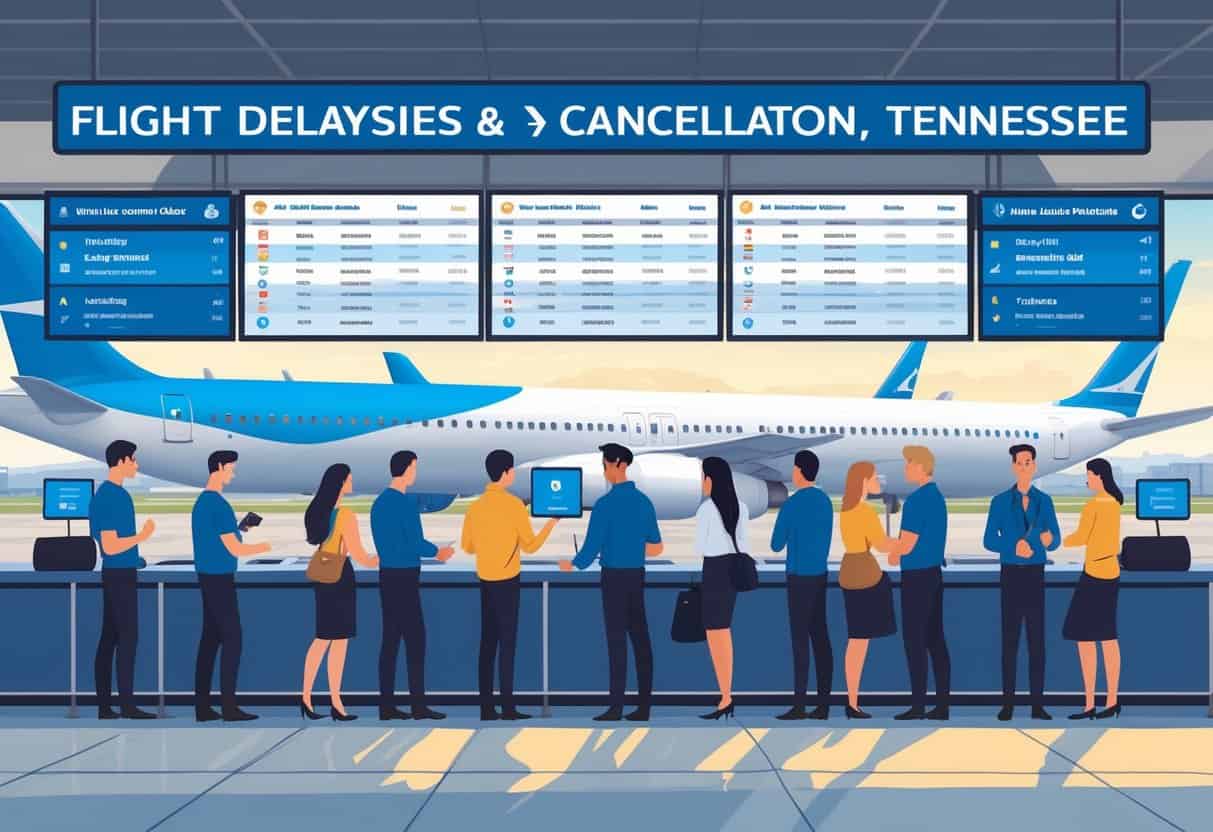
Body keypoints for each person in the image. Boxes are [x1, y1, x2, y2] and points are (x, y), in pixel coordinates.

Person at [559, 443, 662, 722]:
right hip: (636, 575)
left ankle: (615, 707)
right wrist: (633, 546)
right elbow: (657, 547)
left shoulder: (604, 505)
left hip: (613, 577)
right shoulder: (644, 502)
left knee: (616, 642)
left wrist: (572, 564)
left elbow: (591, 548)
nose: (604, 470)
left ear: (620, 465)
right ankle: (644, 707)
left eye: (606, 465)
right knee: (641, 640)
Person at [461, 449, 558, 720]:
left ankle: (486, 708)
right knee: (507, 645)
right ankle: (508, 707)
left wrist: (489, 544)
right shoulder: (514, 506)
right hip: (508, 582)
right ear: (505, 473)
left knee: (487, 645)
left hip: (485, 580)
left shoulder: (475, 507)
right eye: (512, 469)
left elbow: (468, 547)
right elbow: (531, 546)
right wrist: (551, 523)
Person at [370, 450, 454, 722]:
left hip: (386, 576)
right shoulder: (405, 504)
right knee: (416, 641)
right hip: (406, 577)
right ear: (407, 469)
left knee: (390, 643)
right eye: (415, 467)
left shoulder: (379, 503)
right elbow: (415, 542)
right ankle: (419, 705)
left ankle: (386, 706)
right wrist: (438, 552)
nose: (416, 472)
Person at [192, 450, 272, 723]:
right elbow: (234, 548)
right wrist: (265, 547)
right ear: (219, 467)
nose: (233, 473)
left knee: (209, 642)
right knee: (232, 640)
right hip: (220, 578)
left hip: (206, 576)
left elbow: (218, 538)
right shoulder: (219, 505)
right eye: (231, 468)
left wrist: (241, 528)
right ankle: (229, 707)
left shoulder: (202, 503)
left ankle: (203, 707)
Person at [983, 444, 1060, 721]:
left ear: (1034, 466)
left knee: (1037, 642)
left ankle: (1038, 705)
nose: (1025, 467)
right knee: (1010, 641)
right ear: (1013, 467)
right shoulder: (1000, 501)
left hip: (1035, 574)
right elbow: (989, 540)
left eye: (1029, 462)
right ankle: (1008, 704)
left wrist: (1047, 540)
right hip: (1011, 574)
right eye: (1020, 463)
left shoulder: (1045, 501)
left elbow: (1056, 540)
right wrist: (1013, 546)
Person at [301, 464, 380, 722]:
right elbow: (359, 554)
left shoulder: (318, 512)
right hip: (340, 576)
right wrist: (380, 558)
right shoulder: (346, 515)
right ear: (341, 482)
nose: (352, 482)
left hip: (322, 573)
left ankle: (307, 698)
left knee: (322, 639)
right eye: (349, 479)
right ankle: (335, 701)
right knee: (338, 642)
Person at [89, 439, 156, 720]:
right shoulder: (110, 497)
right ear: (121, 461)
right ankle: (126, 705)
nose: (136, 465)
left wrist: (135, 556)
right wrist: (142, 536)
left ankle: (106, 706)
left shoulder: (114, 494)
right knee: (125, 639)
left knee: (111, 638)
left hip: (121, 571)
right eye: (133, 460)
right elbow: (111, 545)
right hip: (119, 576)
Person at [769, 450, 834, 720]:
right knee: (821, 638)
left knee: (800, 642)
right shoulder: (825, 501)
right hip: (820, 575)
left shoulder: (792, 504)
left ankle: (799, 704)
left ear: (799, 471)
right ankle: (823, 705)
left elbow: (776, 544)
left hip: (798, 577)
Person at [888, 445, 952, 721]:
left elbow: (907, 544)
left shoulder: (916, 501)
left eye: (908, 463)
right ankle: (942, 705)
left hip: (916, 577)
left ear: (920, 467)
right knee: (935, 640)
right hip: (934, 574)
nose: (905, 468)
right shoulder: (937, 497)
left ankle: (917, 705)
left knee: (914, 641)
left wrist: (892, 551)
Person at [1062, 458, 1125, 721]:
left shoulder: (1095, 505)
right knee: (1108, 637)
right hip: (1111, 572)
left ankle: (1089, 703)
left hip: (1094, 575)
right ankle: (1112, 701)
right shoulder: (1114, 503)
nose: (1086, 479)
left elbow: (1081, 537)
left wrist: (1056, 540)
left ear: (1099, 476)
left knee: (1084, 638)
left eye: (1088, 474)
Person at [837, 461, 898, 719]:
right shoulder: (864, 511)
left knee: (856, 641)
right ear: (863, 481)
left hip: (849, 570)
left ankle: (852, 699)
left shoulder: (846, 510)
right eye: (873, 478)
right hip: (865, 573)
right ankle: (852, 702)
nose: (878, 482)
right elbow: (881, 545)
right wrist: (903, 543)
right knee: (860, 642)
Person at [695, 456, 750, 721]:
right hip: (733, 571)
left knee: (716, 634)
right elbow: (744, 543)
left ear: (710, 479)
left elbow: (700, 547)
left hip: (715, 570)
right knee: (723, 632)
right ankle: (726, 695)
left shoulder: (706, 509)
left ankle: (726, 697)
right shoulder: (742, 507)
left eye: (703, 477)